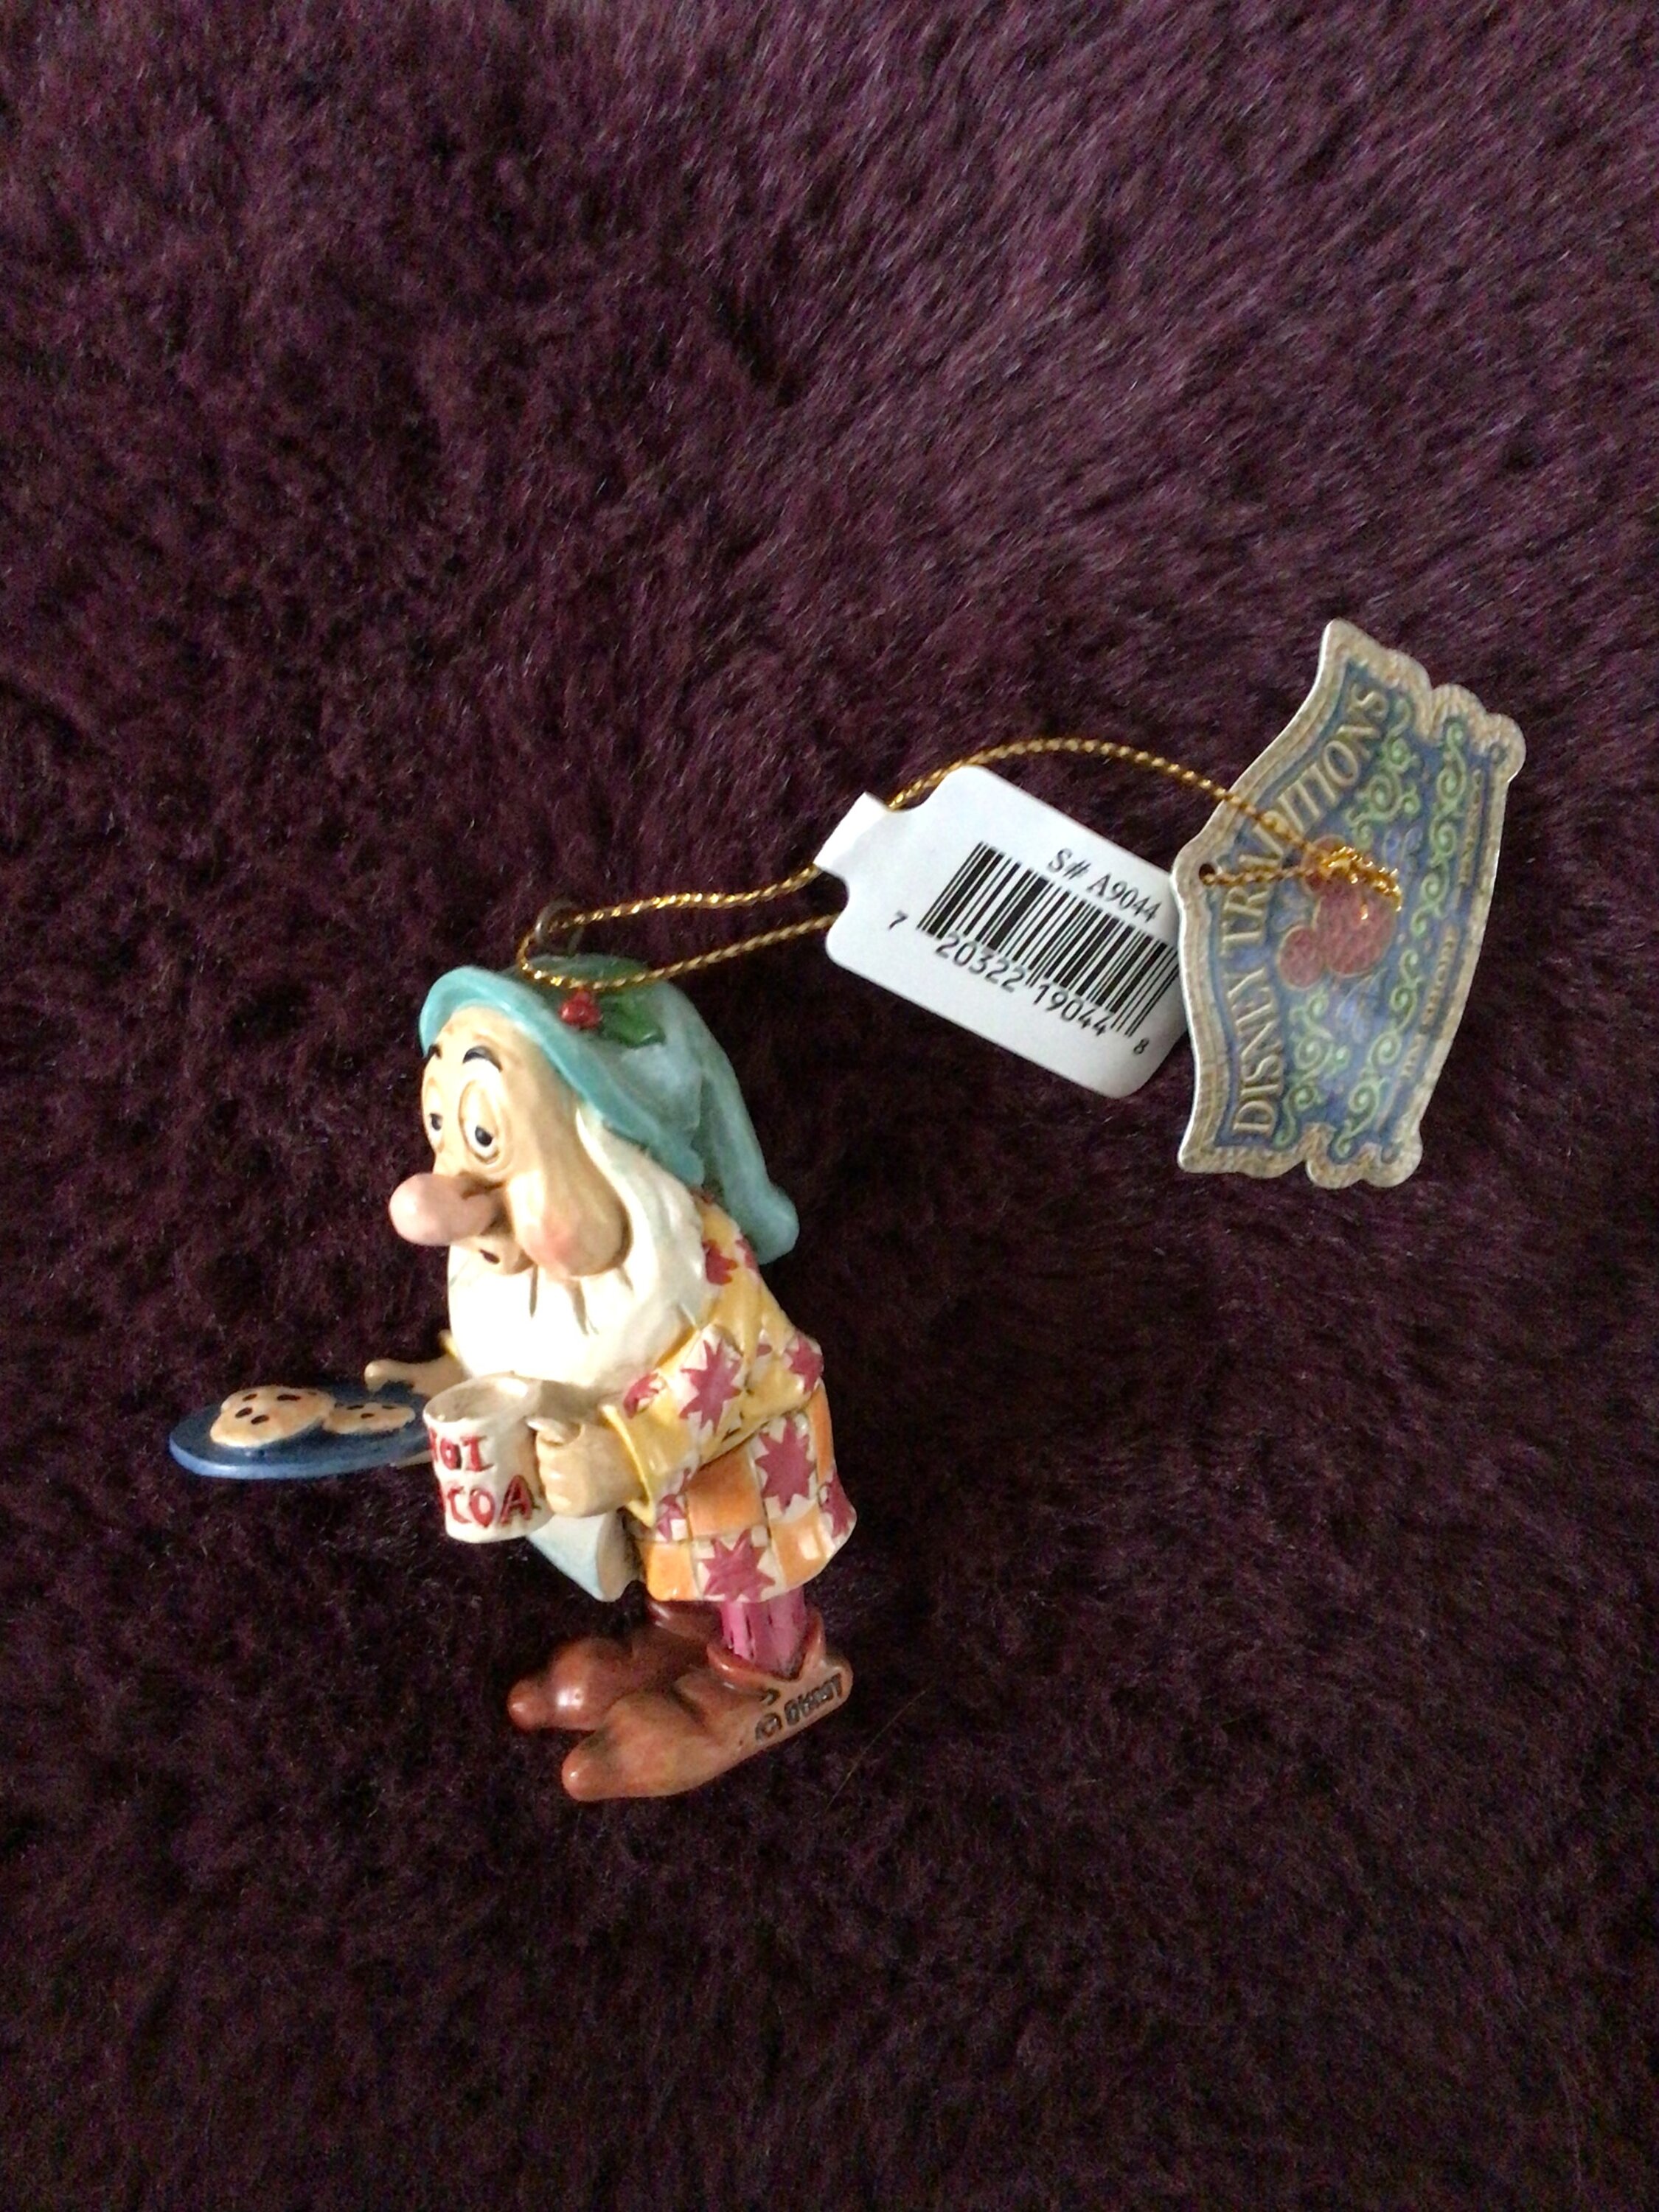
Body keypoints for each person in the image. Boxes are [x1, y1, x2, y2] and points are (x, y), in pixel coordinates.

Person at [366, 956, 853, 1799]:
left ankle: (773, 1672)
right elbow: (531, 1356)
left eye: (487, 1139)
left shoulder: (696, 1263)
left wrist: (626, 1453)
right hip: (656, 1482)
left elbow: (715, 1373)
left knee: (744, 1566)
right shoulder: (530, 1281)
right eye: (444, 1126)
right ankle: (683, 1639)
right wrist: (454, 1381)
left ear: (609, 1144)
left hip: (745, 1456)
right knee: (675, 1559)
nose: (437, 1194)